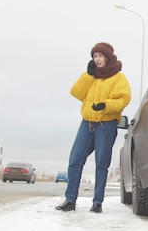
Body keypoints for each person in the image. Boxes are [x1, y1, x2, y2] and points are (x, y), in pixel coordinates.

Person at [55, 42, 131, 213]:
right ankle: (70, 200)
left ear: (108, 57)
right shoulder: (92, 76)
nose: (97, 59)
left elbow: (123, 99)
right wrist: (87, 76)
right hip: (87, 123)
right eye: (94, 56)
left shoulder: (119, 78)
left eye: (100, 56)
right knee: (75, 160)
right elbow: (76, 93)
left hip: (106, 125)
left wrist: (105, 105)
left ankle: (97, 202)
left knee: (101, 164)